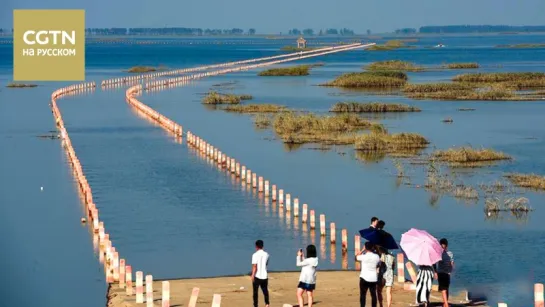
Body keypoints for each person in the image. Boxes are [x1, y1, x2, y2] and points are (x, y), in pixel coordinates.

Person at [356, 242, 381, 307]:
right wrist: (376, 249)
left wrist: (362, 250)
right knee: (373, 295)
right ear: (372, 247)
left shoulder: (363, 256)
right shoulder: (376, 256)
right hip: (373, 278)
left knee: (363, 294)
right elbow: (378, 263)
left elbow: (356, 257)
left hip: (364, 277)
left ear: (366, 248)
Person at [435, 238, 454, 307]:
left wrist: (435, 272)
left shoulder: (438, 253)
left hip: (440, 273)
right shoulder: (450, 253)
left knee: (443, 290)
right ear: (447, 245)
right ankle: (446, 303)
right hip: (447, 273)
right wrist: (451, 271)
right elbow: (452, 264)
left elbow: (435, 262)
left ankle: (445, 304)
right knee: (446, 288)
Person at [251, 240, 270, 307]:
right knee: (265, 291)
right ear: (262, 246)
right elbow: (266, 263)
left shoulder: (255, 255)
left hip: (257, 276)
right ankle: (267, 304)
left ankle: (255, 305)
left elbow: (255, 266)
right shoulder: (267, 254)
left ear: (256, 247)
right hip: (264, 276)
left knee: (255, 292)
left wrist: (253, 275)